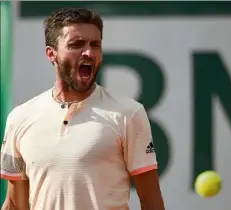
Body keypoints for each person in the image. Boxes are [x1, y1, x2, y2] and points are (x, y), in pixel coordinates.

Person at [0, 7, 165, 210]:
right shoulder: (19, 118)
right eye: (76, 44)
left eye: (95, 45)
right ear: (51, 54)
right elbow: (15, 204)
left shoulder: (129, 114)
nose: (88, 52)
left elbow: (151, 201)